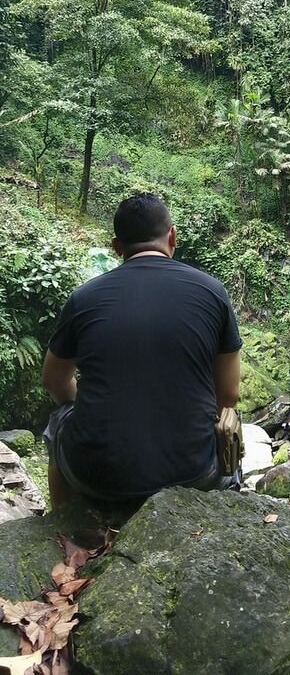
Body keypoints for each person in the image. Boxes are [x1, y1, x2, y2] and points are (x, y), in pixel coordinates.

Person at [42, 193, 243, 508]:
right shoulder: (212, 292)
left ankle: (66, 524)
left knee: (58, 423)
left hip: (97, 477)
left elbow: (54, 381)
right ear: (172, 236)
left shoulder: (83, 299)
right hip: (194, 474)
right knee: (230, 426)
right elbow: (229, 393)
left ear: (117, 247)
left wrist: (91, 411)